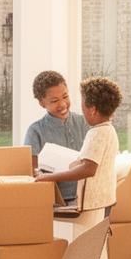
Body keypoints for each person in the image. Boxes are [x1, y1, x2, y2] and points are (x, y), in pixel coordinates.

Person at [34, 76, 122, 223]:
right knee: (100, 235)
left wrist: (50, 177)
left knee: (90, 236)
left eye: (82, 104)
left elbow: (88, 169)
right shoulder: (109, 130)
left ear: (92, 110)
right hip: (105, 199)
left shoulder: (96, 133)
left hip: (94, 203)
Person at [24, 70, 90, 209]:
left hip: (87, 199)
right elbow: (32, 172)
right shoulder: (35, 131)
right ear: (42, 103)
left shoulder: (85, 123)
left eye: (65, 96)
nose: (63, 104)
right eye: (54, 101)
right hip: (56, 203)